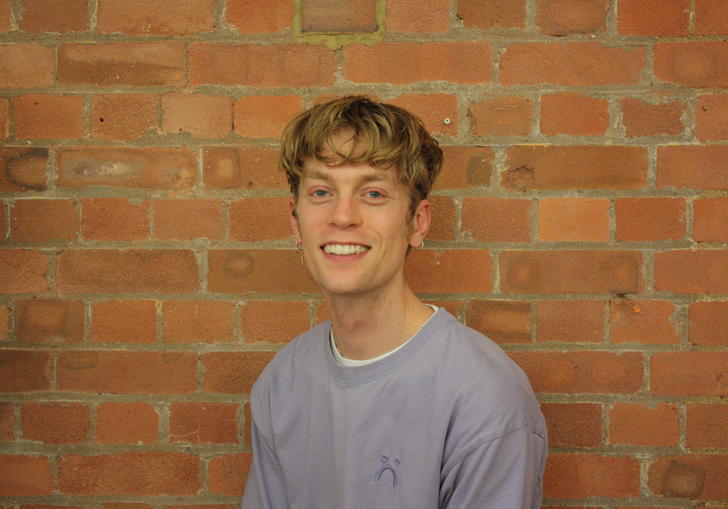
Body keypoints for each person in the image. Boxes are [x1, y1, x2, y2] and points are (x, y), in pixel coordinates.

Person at [242, 96, 547, 509]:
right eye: (320, 191)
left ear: (417, 223)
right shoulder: (282, 382)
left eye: (373, 193)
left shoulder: (483, 396)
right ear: (296, 223)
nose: (342, 216)